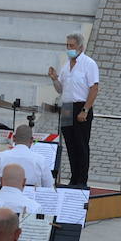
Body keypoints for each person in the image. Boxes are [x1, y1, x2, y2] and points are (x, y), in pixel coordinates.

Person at [47, 33, 99, 188]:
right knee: (70, 145)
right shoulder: (66, 66)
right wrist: (54, 79)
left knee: (81, 145)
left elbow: (94, 88)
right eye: (67, 45)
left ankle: (82, 180)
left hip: (80, 106)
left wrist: (85, 110)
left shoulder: (89, 64)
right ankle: (74, 178)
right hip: (67, 107)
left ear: (80, 47)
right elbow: (60, 89)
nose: (69, 48)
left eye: (72, 46)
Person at [0, 124, 54, 189]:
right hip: (30, 196)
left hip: (3, 196)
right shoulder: (41, 160)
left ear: (14, 138)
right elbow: (49, 188)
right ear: (31, 140)